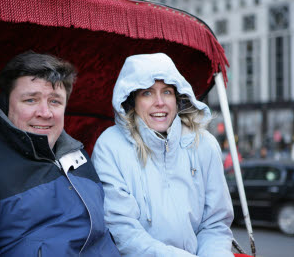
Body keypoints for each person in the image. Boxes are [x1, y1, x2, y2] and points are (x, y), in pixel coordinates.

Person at [0, 51, 120, 256]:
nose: (45, 112)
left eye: (55, 101)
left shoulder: (76, 153)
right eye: (31, 100)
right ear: (7, 104)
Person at [92, 53, 234, 257]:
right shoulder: (110, 146)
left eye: (167, 92)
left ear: (177, 98)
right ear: (133, 101)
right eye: (147, 93)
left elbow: (215, 223)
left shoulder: (204, 144)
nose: (159, 102)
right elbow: (123, 230)